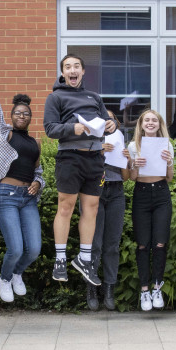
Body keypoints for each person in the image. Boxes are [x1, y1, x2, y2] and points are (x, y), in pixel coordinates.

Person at [43, 54, 117, 285]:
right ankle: (61, 259)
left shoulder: (94, 97)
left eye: (76, 66)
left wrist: (112, 125)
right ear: (63, 73)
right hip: (70, 158)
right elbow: (50, 129)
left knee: (92, 208)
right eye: (68, 67)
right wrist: (72, 128)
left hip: (95, 158)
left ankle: (84, 259)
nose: (72, 70)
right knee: (66, 206)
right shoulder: (55, 97)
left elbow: (107, 124)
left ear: (83, 71)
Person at [0, 57, 46, 303]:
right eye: (18, 112)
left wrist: (39, 184)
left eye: (26, 113)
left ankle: (17, 273)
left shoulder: (35, 142)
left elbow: (38, 172)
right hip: (5, 196)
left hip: (28, 198)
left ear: (30, 117)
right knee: (15, 248)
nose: (22, 116)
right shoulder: (2, 134)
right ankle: (5, 279)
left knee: (34, 249)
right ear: (12, 115)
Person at [124, 109, 175, 311]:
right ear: (141, 124)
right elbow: (132, 178)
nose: (151, 123)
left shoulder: (166, 145)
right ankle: (144, 290)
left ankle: (157, 287)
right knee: (143, 244)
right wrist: (134, 165)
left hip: (162, 193)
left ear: (159, 124)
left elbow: (170, 177)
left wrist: (169, 161)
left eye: (155, 120)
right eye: (147, 120)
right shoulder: (133, 145)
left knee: (160, 243)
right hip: (142, 194)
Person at [88, 110, 128, 311]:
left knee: (112, 244)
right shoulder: (88, 140)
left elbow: (127, 176)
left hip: (116, 191)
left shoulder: (120, 139)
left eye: (110, 118)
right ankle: (92, 288)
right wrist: (97, 151)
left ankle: (109, 289)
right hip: (95, 192)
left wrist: (127, 159)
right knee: (94, 243)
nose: (107, 121)